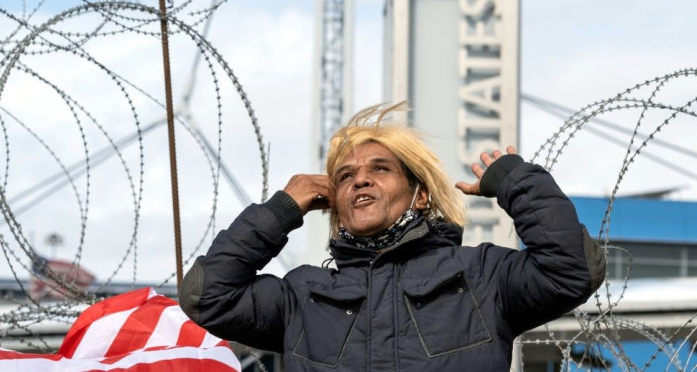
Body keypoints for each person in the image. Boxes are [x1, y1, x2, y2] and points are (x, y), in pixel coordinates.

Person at [179, 103, 606, 370]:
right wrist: (282, 209)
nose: (360, 181)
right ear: (335, 201)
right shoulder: (303, 296)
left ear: (420, 195)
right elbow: (208, 295)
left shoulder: (480, 276)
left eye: (379, 169)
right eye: (345, 177)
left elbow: (570, 271)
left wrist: (519, 183)